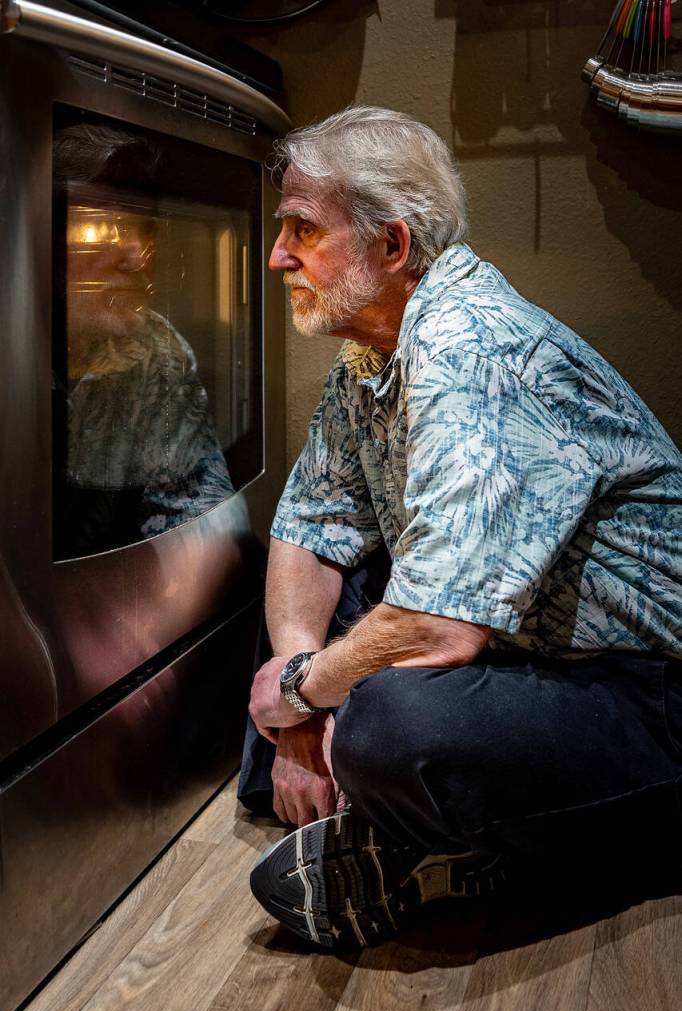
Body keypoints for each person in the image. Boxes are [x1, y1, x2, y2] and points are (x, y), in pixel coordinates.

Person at [243, 106, 682, 951]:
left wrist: (301, 689)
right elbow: (312, 524)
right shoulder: (371, 351)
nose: (277, 255)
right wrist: (297, 702)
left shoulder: (471, 348)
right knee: (274, 643)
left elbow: (439, 628)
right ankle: (406, 820)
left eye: (303, 228)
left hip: (645, 685)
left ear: (392, 246)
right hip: (524, 646)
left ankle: (456, 849)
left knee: (389, 727)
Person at [54, 124, 234, 556]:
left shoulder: (157, 350)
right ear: (42, 241)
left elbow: (202, 522)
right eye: (105, 226)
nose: (137, 257)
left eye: (145, 229)